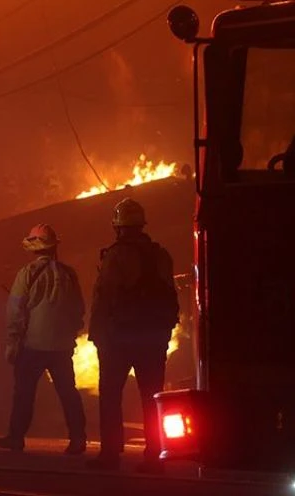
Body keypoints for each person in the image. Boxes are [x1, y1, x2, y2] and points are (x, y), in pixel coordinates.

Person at [85, 198, 179, 473]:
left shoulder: (116, 255)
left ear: (118, 227)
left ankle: (111, 454)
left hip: (120, 338)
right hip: (153, 337)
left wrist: (97, 334)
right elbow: (169, 293)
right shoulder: (160, 254)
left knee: (111, 395)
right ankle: (154, 455)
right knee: (152, 398)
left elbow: (104, 296)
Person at [0, 223, 87, 455]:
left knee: (24, 392)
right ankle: (78, 439)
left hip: (33, 345)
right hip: (61, 347)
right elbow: (78, 309)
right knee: (68, 392)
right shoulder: (69, 274)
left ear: (33, 247)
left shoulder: (27, 274)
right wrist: (70, 334)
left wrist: (13, 342)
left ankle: (16, 438)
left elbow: (15, 310)